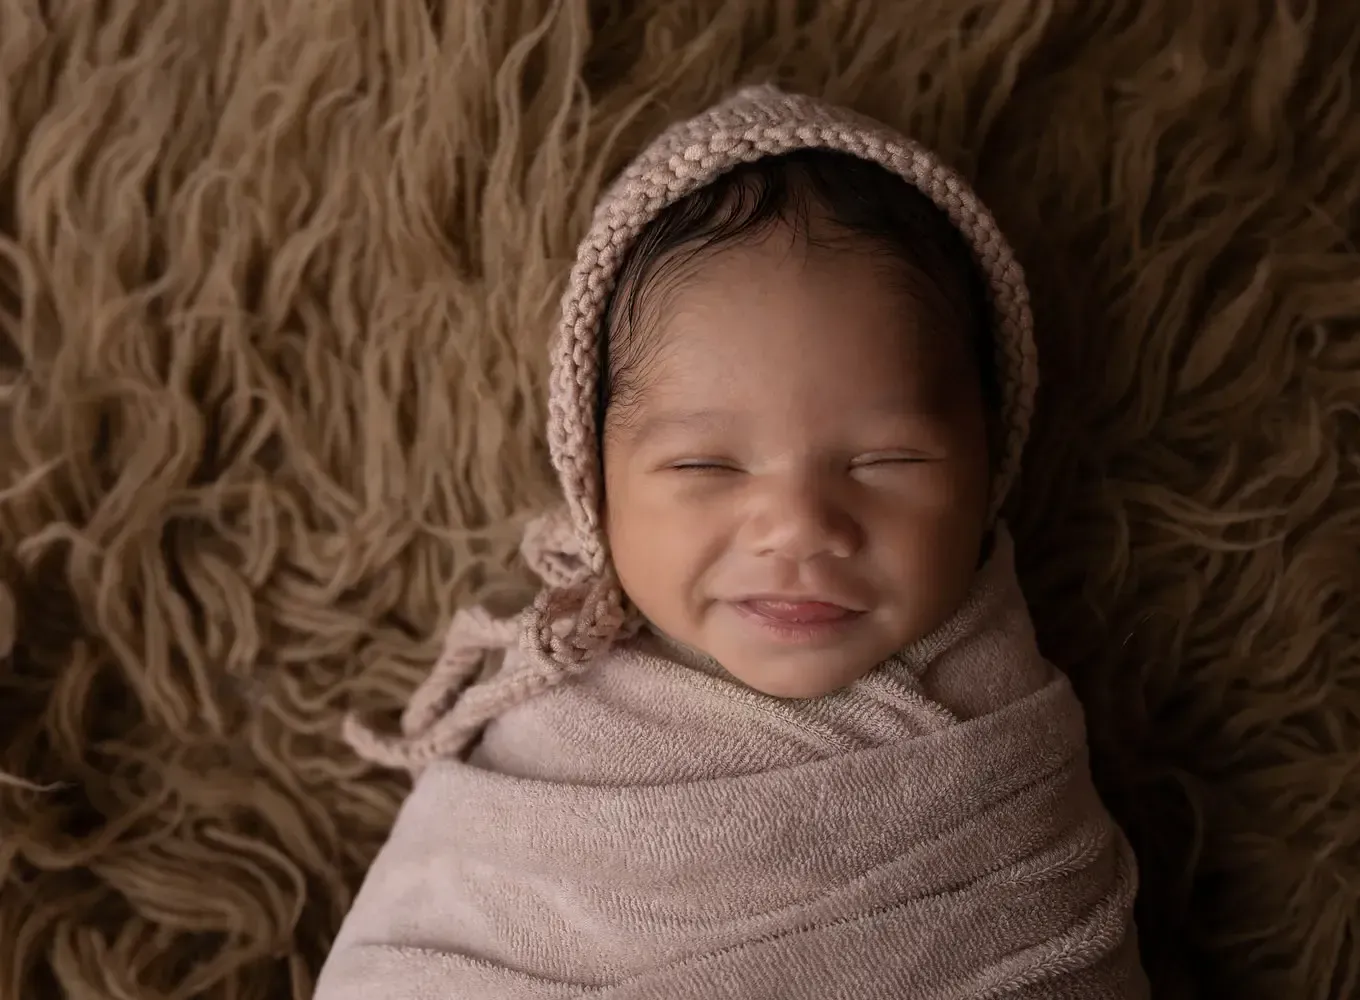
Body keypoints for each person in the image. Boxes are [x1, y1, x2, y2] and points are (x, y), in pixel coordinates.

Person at [317, 85, 1147, 999]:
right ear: (596, 483)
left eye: (885, 460)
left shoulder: (1005, 746)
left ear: (990, 467)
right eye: (705, 466)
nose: (797, 524)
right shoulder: (554, 722)